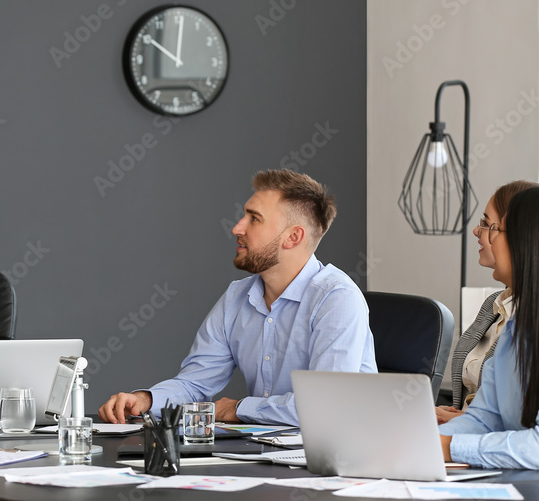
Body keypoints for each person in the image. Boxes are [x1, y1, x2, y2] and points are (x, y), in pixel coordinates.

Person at [98, 169, 376, 426]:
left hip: (339, 465)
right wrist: (147, 400)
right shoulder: (237, 296)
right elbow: (195, 385)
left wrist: (239, 408)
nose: (237, 228)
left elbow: (324, 408)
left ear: (292, 238)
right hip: (266, 455)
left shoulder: (337, 299)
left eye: (254, 219)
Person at [440, 186, 539, 469]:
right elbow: (485, 418)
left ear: (528, 241)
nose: (488, 238)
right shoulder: (515, 327)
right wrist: (420, 442)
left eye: (496, 230)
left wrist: (450, 447)